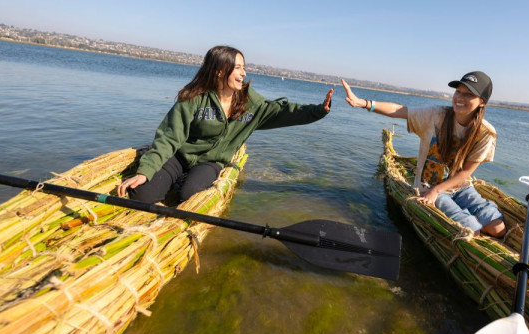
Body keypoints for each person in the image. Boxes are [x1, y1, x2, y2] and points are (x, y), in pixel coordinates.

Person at [118, 45, 334, 203]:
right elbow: (168, 137)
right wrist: (145, 172)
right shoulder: (194, 98)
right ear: (220, 71)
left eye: (244, 67)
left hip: (210, 162)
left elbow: (282, 112)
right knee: (142, 195)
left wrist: (319, 110)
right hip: (180, 156)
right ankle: (168, 176)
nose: (244, 73)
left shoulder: (250, 101)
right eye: (238, 68)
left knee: (190, 197)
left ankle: (185, 182)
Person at [341, 72, 506, 237]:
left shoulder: (486, 133)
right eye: (458, 92)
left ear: (482, 102)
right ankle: (469, 219)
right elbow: (400, 110)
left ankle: (477, 214)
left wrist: (440, 190)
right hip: (428, 187)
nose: (460, 98)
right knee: (473, 231)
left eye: (469, 94)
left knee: (498, 230)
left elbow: (466, 173)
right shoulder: (436, 115)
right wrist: (363, 103)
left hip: (461, 188)